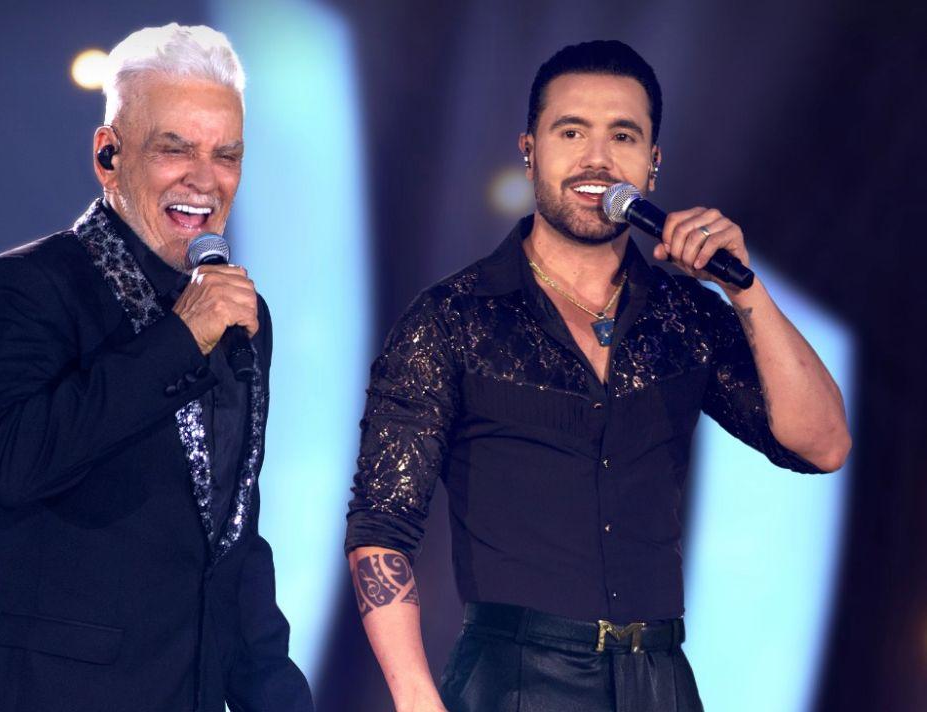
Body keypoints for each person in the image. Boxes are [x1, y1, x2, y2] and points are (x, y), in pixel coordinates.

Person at [344, 40, 850, 712]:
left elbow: (822, 444)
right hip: (516, 682)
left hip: (660, 680)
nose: (597, 159)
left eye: (623, 136)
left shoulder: (685, 316)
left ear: (652, 163)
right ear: (529, 151)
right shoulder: (453, 318)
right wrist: (416, 699)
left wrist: (744, 288)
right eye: (571, 132)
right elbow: (381, 526)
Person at [0, 23, 313, 712]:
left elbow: (231, 538)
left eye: (226, 155)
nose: (204, 179)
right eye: (175, 149)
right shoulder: (25, 287)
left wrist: (276, 694)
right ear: (108, 155)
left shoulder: (239, 314)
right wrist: (181, 338)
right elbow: (15, 462)